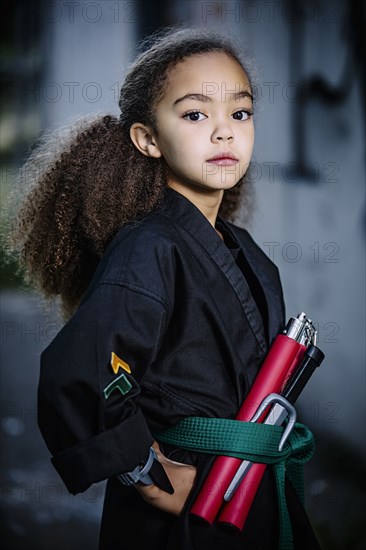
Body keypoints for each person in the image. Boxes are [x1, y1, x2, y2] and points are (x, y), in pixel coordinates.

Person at [11, 26, 321, 550]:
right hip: (186, 502)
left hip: (247, 486)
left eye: (239, 114)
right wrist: (144, 473)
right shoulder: (149, 247)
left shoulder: (246, 250)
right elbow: (79, 374)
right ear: (148, 138)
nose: (224, 132)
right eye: (196, 114)